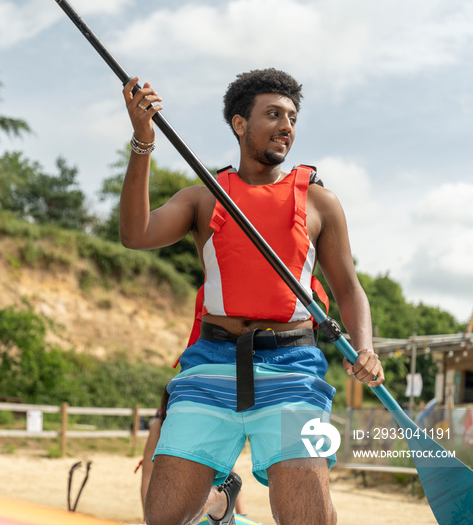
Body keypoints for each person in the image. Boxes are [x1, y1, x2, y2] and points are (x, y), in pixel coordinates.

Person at [119, 69, 385, 525]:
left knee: (311, 520)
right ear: (241, 124)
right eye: (274, 114)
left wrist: (365, 346)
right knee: (162, 518)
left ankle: (224, 512)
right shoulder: (204, 197)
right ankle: (221, 513)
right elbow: (135, 233)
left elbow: (348, 289)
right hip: (211, 365)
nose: (286, 126)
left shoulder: (321, 203)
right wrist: (143, 142)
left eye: (292, 118)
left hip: (295, 372)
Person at [140, 387, 248, 523]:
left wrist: (242, 514)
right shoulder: (159, 426)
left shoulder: (206, 425)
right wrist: (147, 518)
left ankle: (218, 502)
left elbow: (230, 476)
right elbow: (147, 476)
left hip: (204, 499)